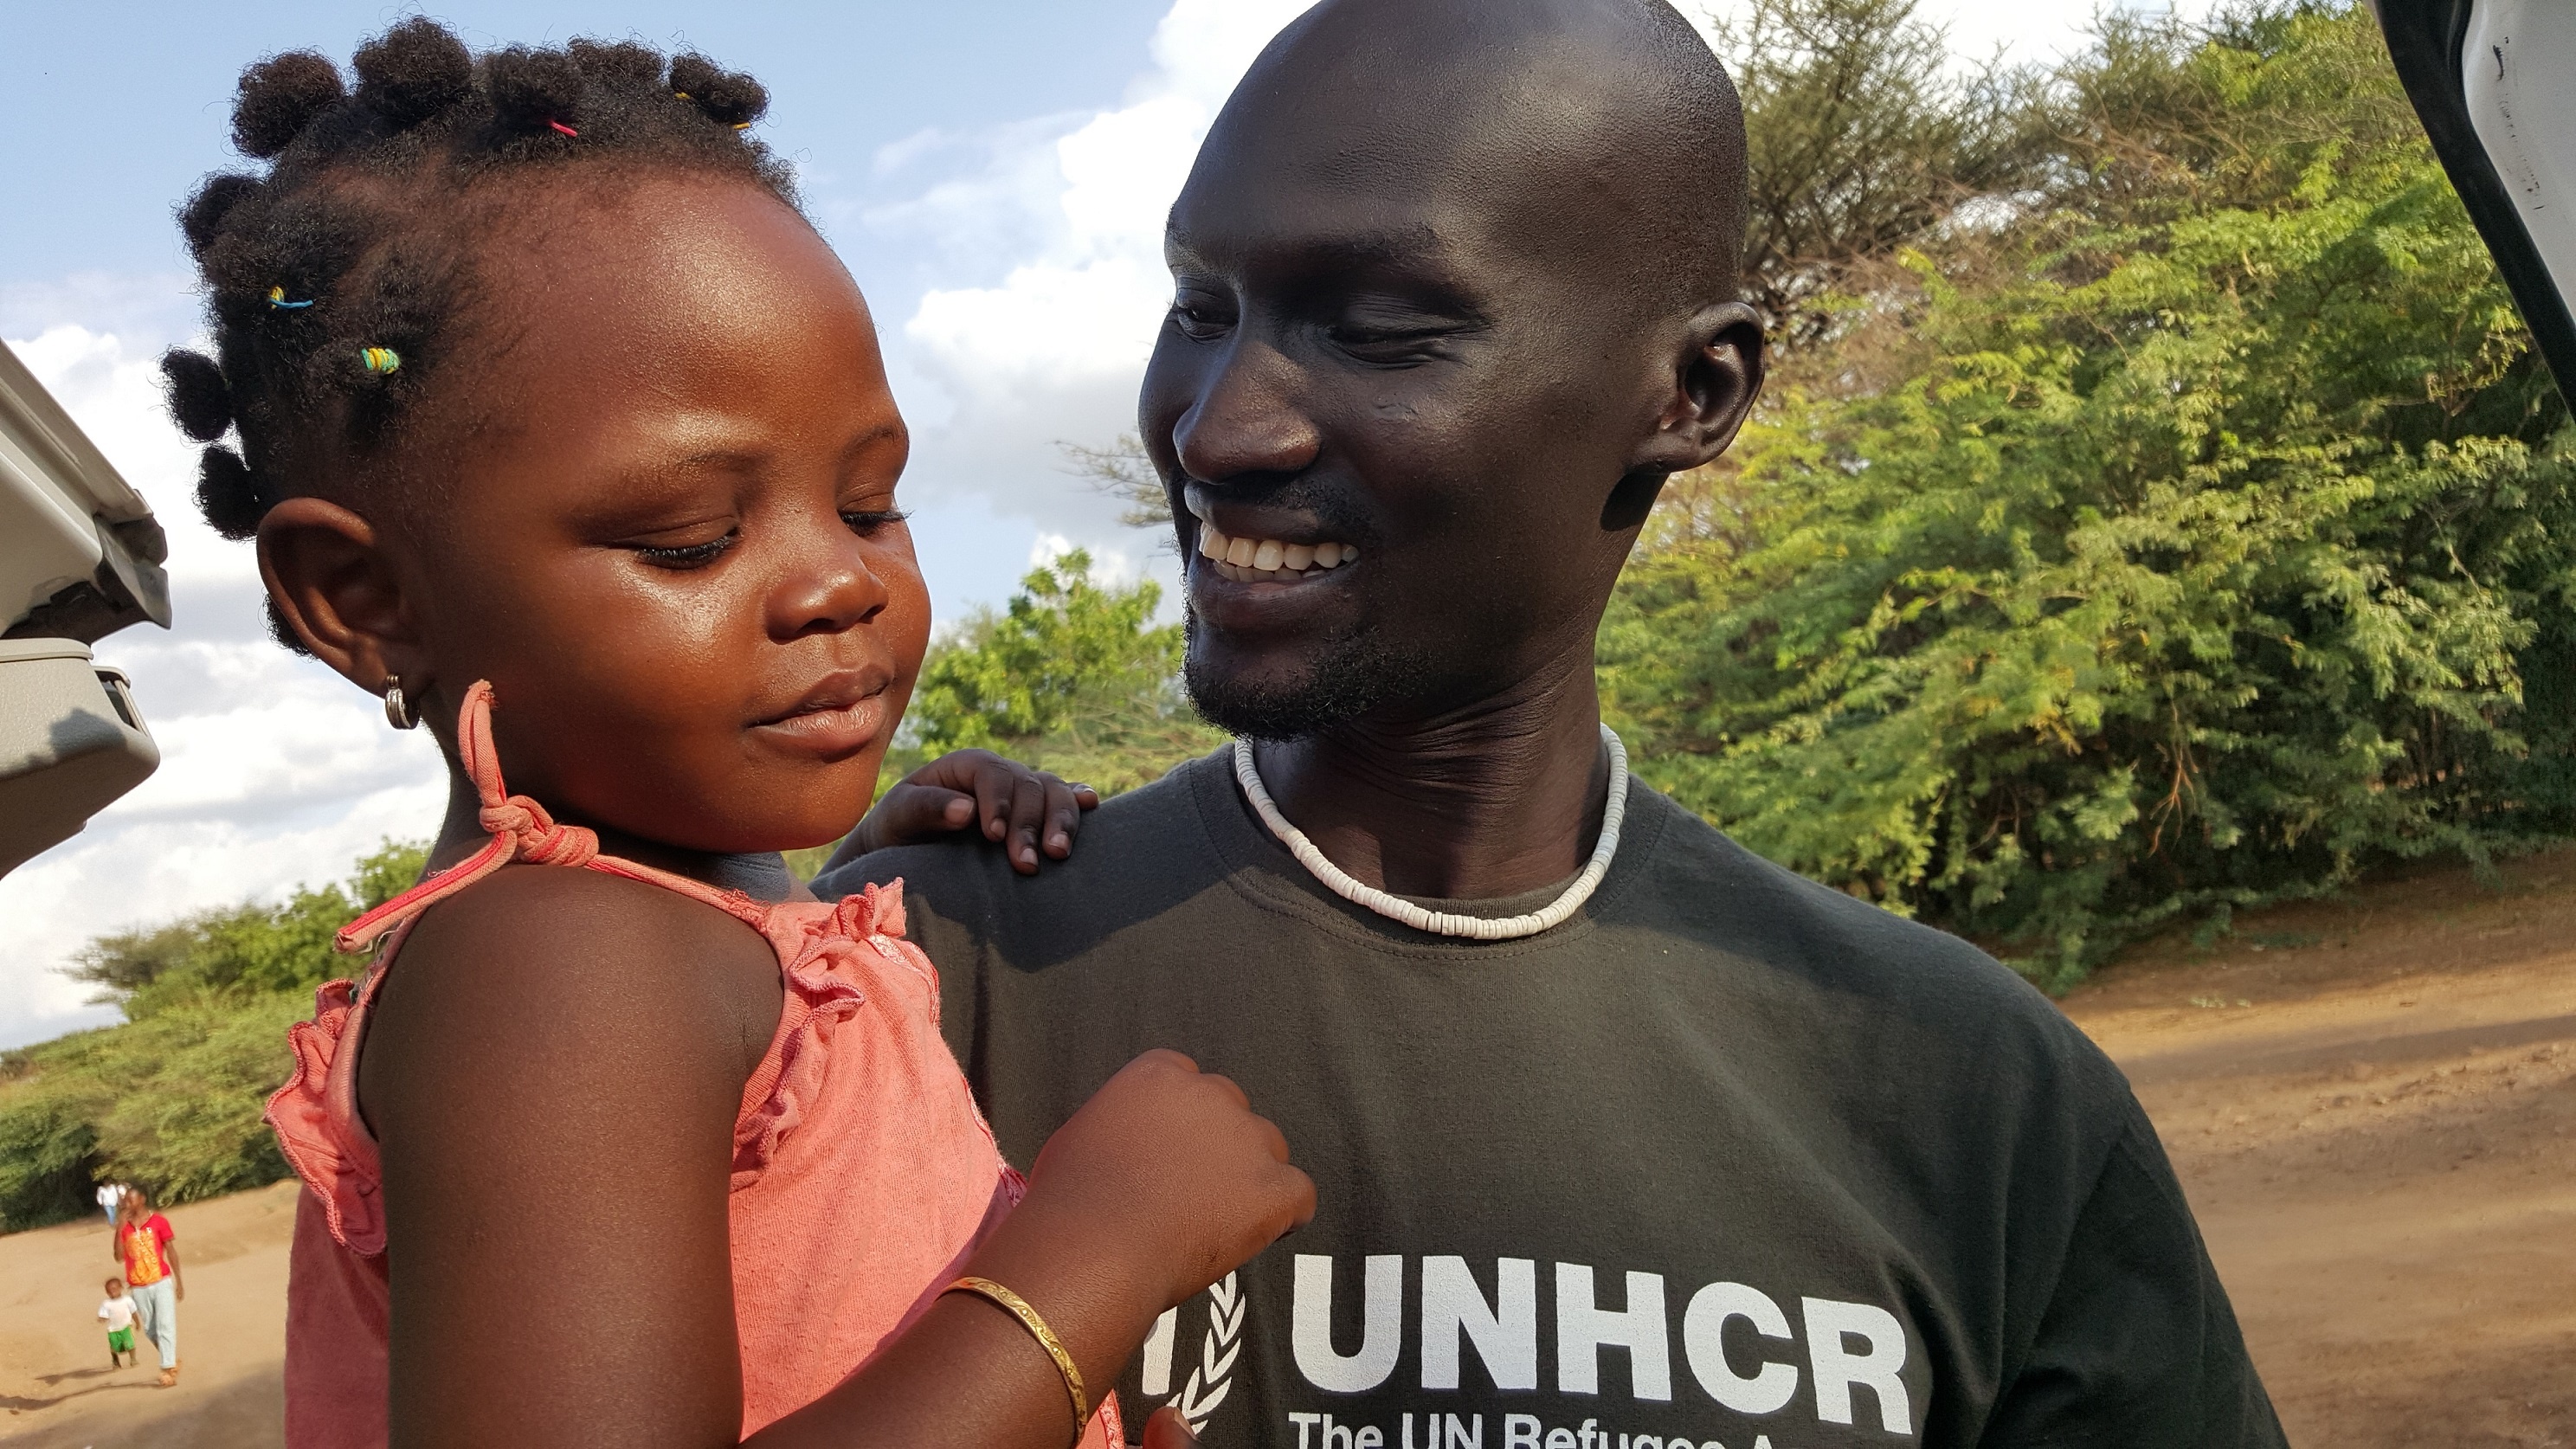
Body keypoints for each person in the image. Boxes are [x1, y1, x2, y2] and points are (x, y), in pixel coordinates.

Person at [818, 1, 2289, 1445]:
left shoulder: (1973, 1095)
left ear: (1691, 391)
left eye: (1383, 328)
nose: (1215, 430)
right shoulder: (916, 987)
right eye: (1202, 307)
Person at [158, 20, 1310, 1448]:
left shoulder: (663, 935)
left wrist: (821, 895)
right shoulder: (560, 970)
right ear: (367, 598)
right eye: (693, 536)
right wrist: (1091, 1262)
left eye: (870, 500)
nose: (841, 580)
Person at [112, 1188, 180, 1387]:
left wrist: (179, 1281)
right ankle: (172, 1360)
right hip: (138, 1286)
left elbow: (171, 1250)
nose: (127, 1205)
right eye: (125, 1202)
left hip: (161, 1281)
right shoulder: (124, 1228)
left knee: (165, 1325)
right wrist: (119, 1229)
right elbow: (118, 1257)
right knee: (151, 1330)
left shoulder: (158, 1221)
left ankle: (167, 1369)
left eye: (131, 1201)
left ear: (142, 1200)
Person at [100, 1276, 139, 1368]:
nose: (112, 1292)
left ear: (121, 1288)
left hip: (126, 1326)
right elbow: (103, 1315)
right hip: (113, 1329)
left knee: (130, 1343)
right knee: (114, 1346)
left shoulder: (127, 1300)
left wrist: (137, 1323)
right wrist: (102, 1318)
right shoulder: (106, 1304)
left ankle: (133, 1359)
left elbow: (133, 1312)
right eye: (109, 1290)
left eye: (114, 1289)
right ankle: (115, 1360)